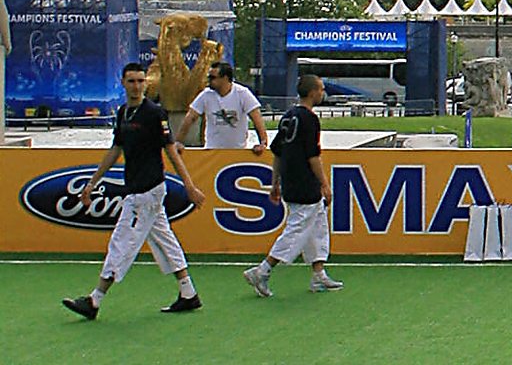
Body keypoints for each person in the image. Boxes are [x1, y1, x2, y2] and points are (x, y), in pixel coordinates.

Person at [62, 61, 209, 319]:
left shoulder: (154, 113)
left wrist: (189, 185)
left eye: (141, 81)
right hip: (139, 191)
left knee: (121, 242)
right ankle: (188, 293)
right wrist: (92, 182)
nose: (137, 86)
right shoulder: (123, 113)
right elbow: (115, 150)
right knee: (164, 239)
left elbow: (171, 149)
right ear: (123, 83)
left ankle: (94, 300)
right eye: (132, 81)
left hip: (147, 191)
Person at [242, 74, 342, 296]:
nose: (323, 93)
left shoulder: (288, 117)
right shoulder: (309, 119)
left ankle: (318, 273)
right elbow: (313, 156)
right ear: (312, 92)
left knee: (317, 224)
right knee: (298, 227)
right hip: (304, 180)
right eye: (321, 89)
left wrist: (275, 182)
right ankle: (263, 270)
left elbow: (277, 152)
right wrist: (325, 184)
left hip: (290, 179)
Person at [181, 61, 270, 154]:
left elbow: (257, 119)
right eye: (208, 77)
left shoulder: (242, 93)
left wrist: (263, 143)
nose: (209, 80)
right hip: (212, 152)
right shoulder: (206, 95)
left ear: (225, 78)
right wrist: (179, 142)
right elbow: (190, 117)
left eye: (212, 78)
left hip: (237, 152)